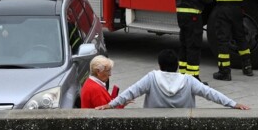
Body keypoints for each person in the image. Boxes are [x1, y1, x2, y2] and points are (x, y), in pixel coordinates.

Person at [97, 49, 249, 110]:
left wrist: (110, 105)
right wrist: (233, 104)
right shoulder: (188, 80)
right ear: (177, 66)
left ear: (159, 65)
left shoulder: (151, 78)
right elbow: (210, 93)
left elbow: (130, 92)